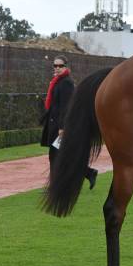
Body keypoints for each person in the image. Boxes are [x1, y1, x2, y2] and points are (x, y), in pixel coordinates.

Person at [40, 55, 98, 189]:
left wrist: (62, 127)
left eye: (60, 66)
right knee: (64, 156)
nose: (57, 68)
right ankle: (89, 172)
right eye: (55, 66)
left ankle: (55, 185)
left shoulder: (66, 83)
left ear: (66, 67)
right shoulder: (57, 82)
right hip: (55, 125)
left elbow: (66, 107)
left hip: (61, 127)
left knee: (55, 156)